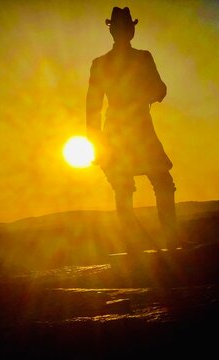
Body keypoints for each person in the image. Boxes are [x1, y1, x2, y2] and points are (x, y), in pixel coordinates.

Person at [86, 7, 179, 251]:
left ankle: (134, 244)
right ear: (129, 30)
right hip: (137, 126)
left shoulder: (100, 64)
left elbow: (93, 108)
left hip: (117, 128)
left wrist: (96, 143)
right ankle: (166, 240)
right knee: (160, 182)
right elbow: (160, 89)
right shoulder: (143, 58)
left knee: (125, 187)